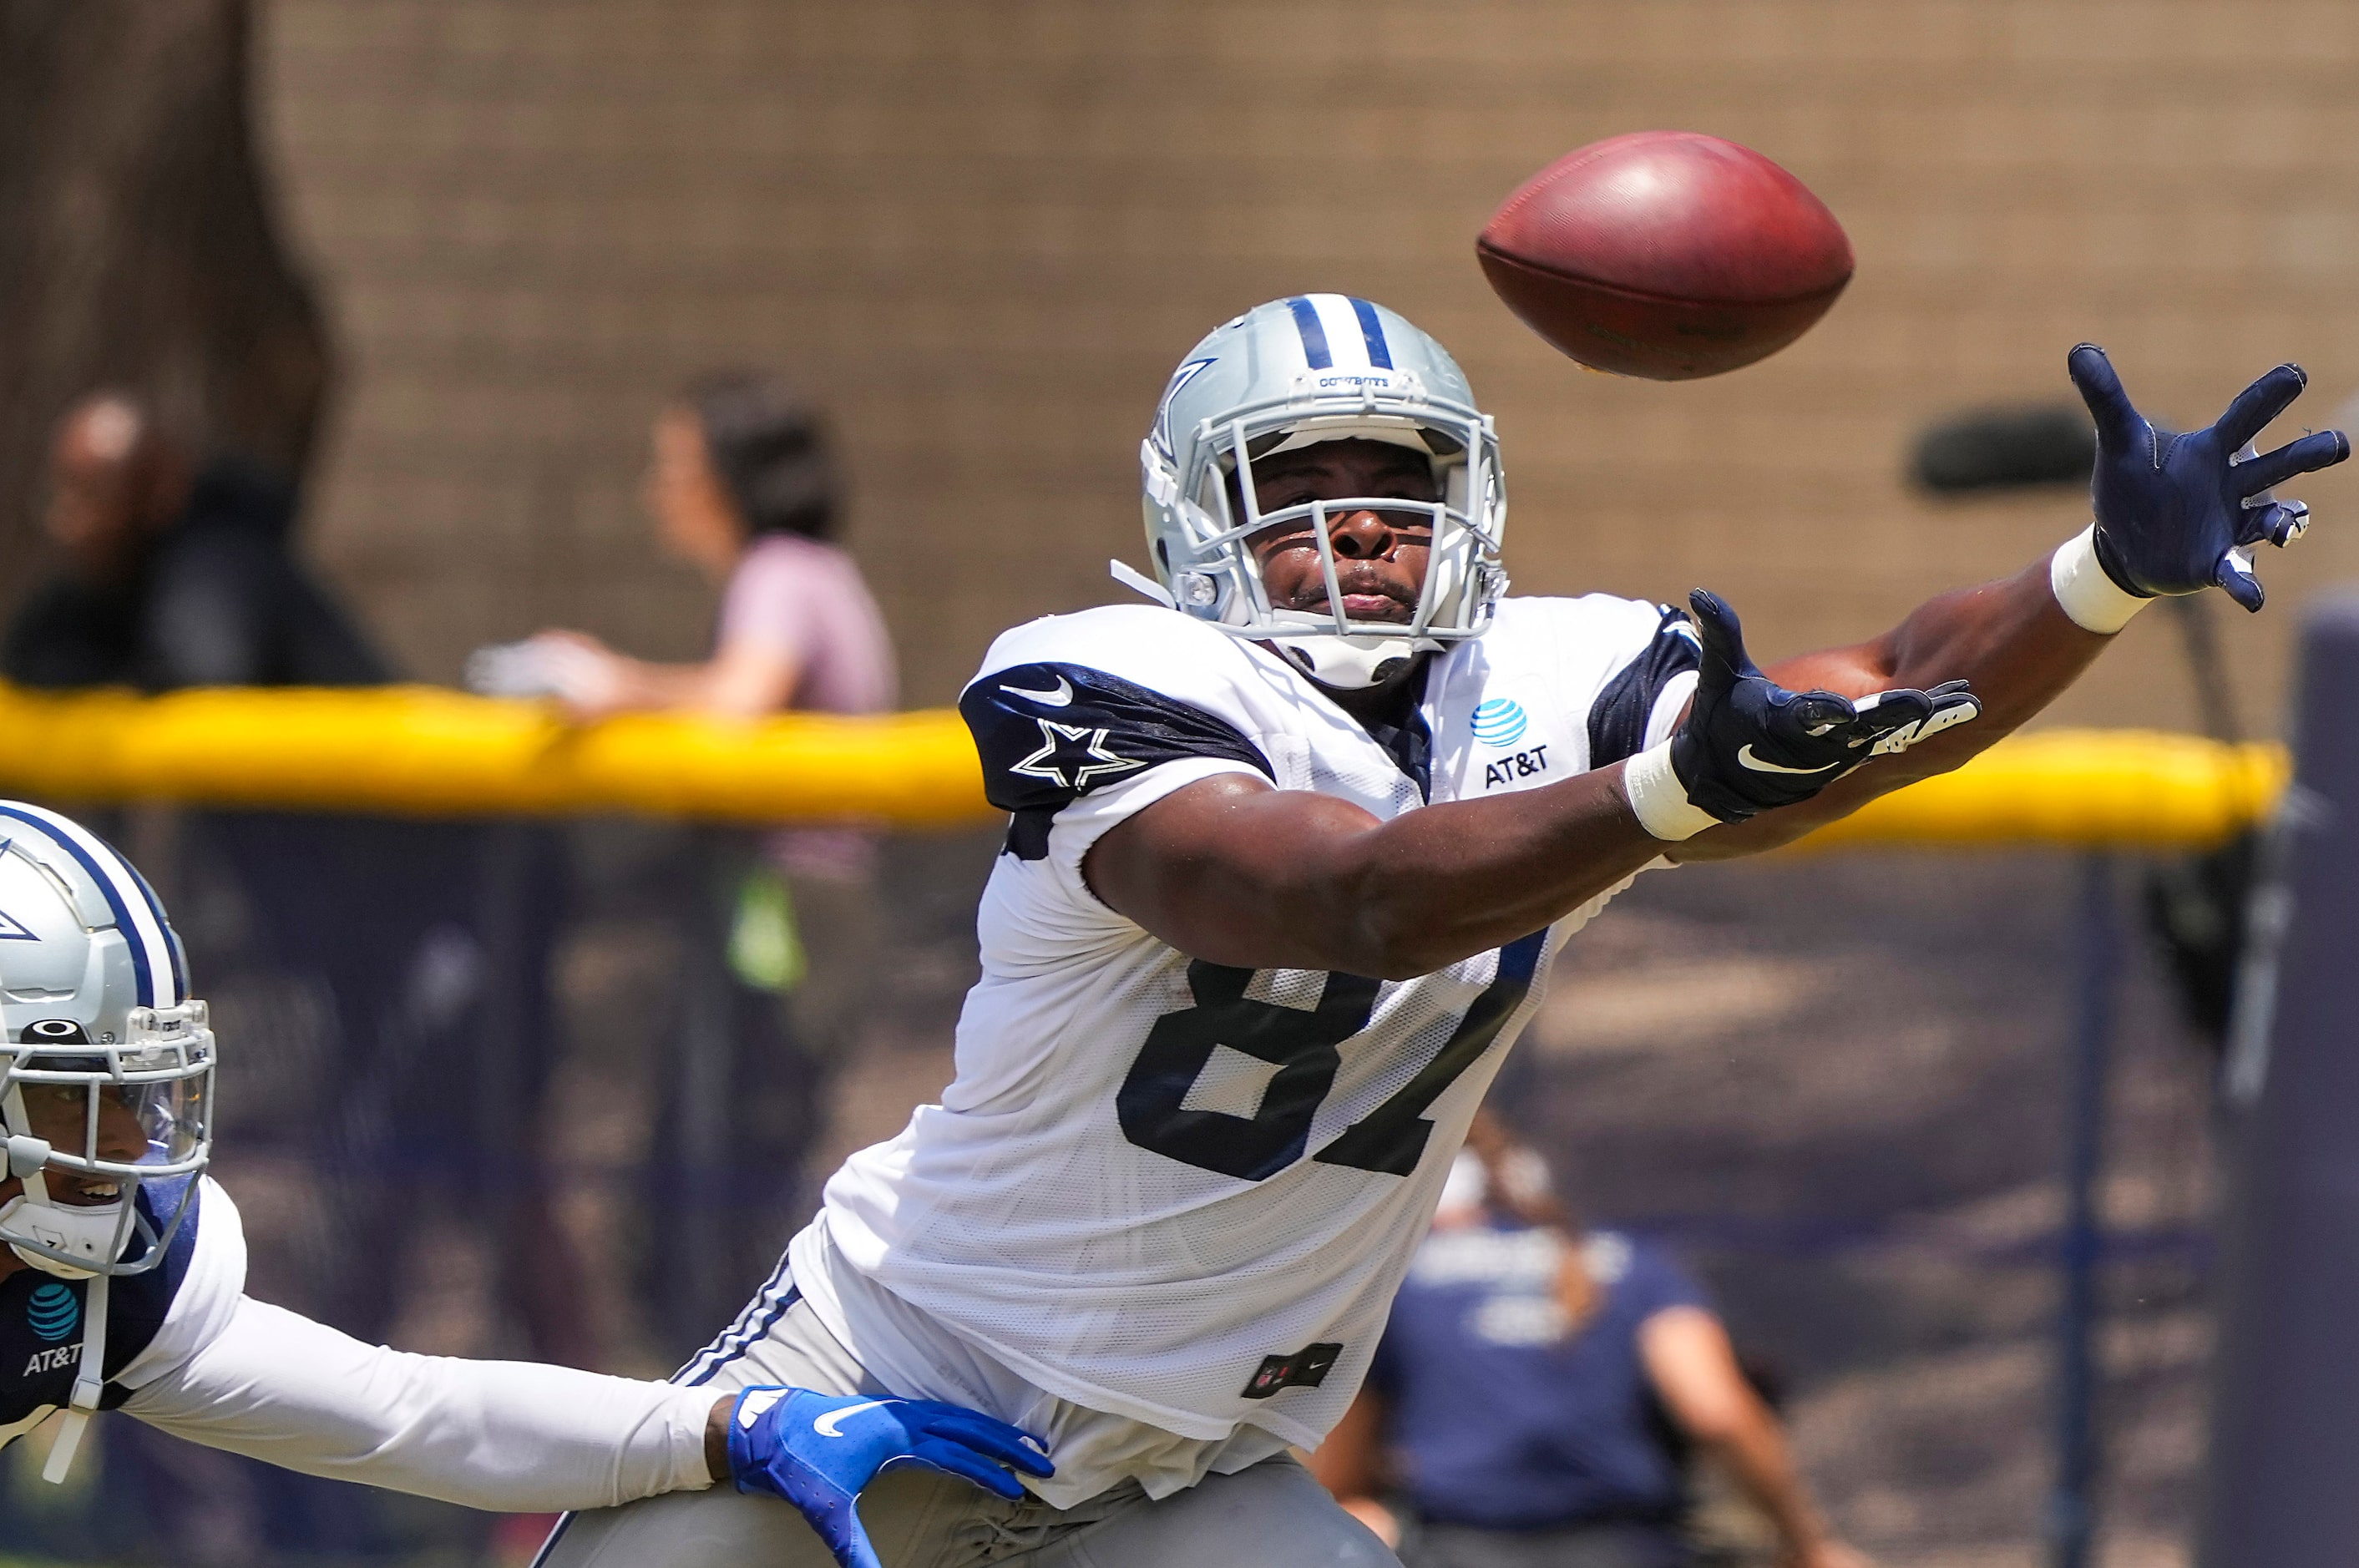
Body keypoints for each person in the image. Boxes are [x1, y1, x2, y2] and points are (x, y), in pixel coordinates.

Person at [529, 296, 2341, 1568]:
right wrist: (1666, 790)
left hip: (1186, 1466)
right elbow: (1342, 895)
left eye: (1396, 480)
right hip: (886, 1377)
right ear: (1190, 515)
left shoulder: (1542, 672)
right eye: (1297, 480)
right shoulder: (1101, 675)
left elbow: (1856, 695)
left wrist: (2088, 577)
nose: (1359, 527)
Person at [0, 800, 1047, 1557]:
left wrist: (737, 1429)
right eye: (73, 1097)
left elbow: (401, 1412)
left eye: (134, 1096)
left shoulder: (107, 1282)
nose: (132, 1148)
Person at [473, 372, 899, 1337]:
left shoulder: (781, 571)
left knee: (723, 1190)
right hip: (788, 908)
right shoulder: (805, 572)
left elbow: (737, 706)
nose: (657, 491)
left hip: (787, 912)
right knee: (715, 1180)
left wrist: (601, 681)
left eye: (677, 469)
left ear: (730, 480)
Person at [1310, 1112, 1865, 1568]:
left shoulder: (1399, 1287)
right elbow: (1717, 1412)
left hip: (1452, 1547)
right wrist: (1806, 1545)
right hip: (1633, 1548)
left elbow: (1338, 1477)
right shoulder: (1633, 1267)